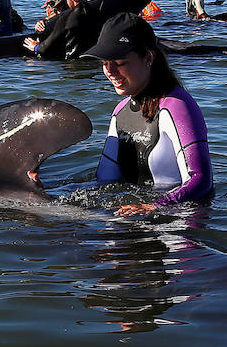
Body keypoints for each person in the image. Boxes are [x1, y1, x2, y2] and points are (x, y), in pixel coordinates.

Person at [81, 12, 213, 214]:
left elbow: (201, 181)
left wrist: (155, 207)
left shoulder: (177, 106)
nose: (110, 72)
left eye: (119, 63)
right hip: (133, 215)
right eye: (104, 63)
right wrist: (42, 191)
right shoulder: (120, 113)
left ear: (148, 58)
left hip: (176, 222)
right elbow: (103, 183)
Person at [23, 0, 102, 60]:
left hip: (73, 64)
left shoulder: (66, 17)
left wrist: (36, 47)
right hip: (94, 61)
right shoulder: (98, 13)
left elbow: (47, 47)